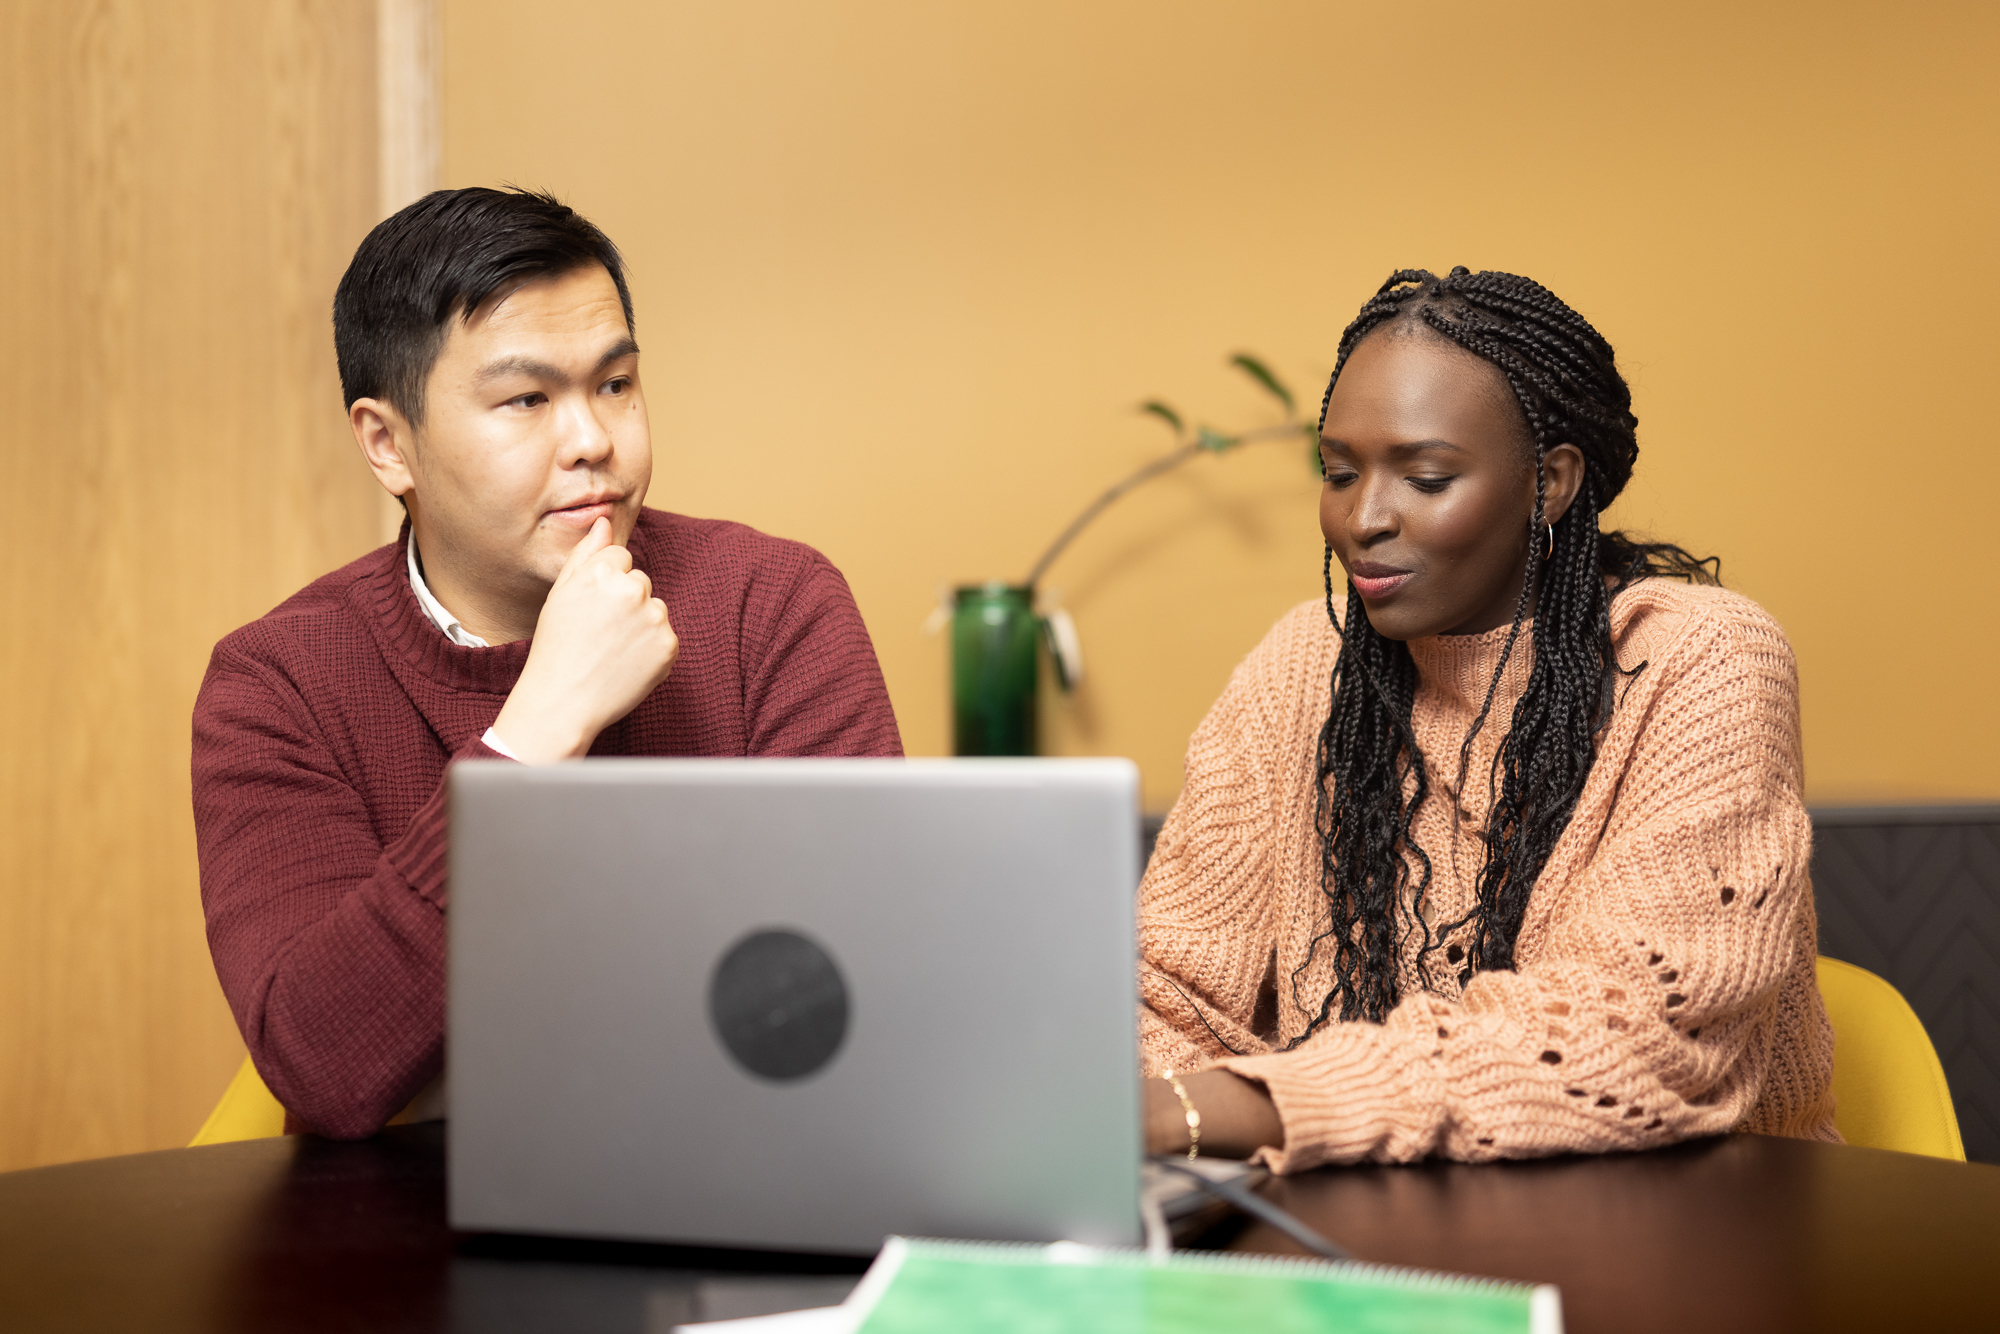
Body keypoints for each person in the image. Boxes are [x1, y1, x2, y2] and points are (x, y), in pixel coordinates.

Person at [192, 188, 901, 1139]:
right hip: (399, 1245)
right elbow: (323, 1065)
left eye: (615, 384)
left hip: (740, 1180)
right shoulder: (278, 683)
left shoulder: (770, 605)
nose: (594, 442)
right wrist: (534, 736)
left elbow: (855, 989)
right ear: (387, 443)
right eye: (526, 400)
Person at [1137, 268, 1836, 1168]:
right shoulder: (1302, 665)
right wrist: (1167, 1120)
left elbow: (1628, 1034)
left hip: (1695, 1223)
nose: (1364, 517)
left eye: (1426, 477)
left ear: (1548, 483)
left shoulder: (1705, 663)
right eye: (1339, 472)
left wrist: (1229, 1107)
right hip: (1366, 1224)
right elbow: (1162, 994)